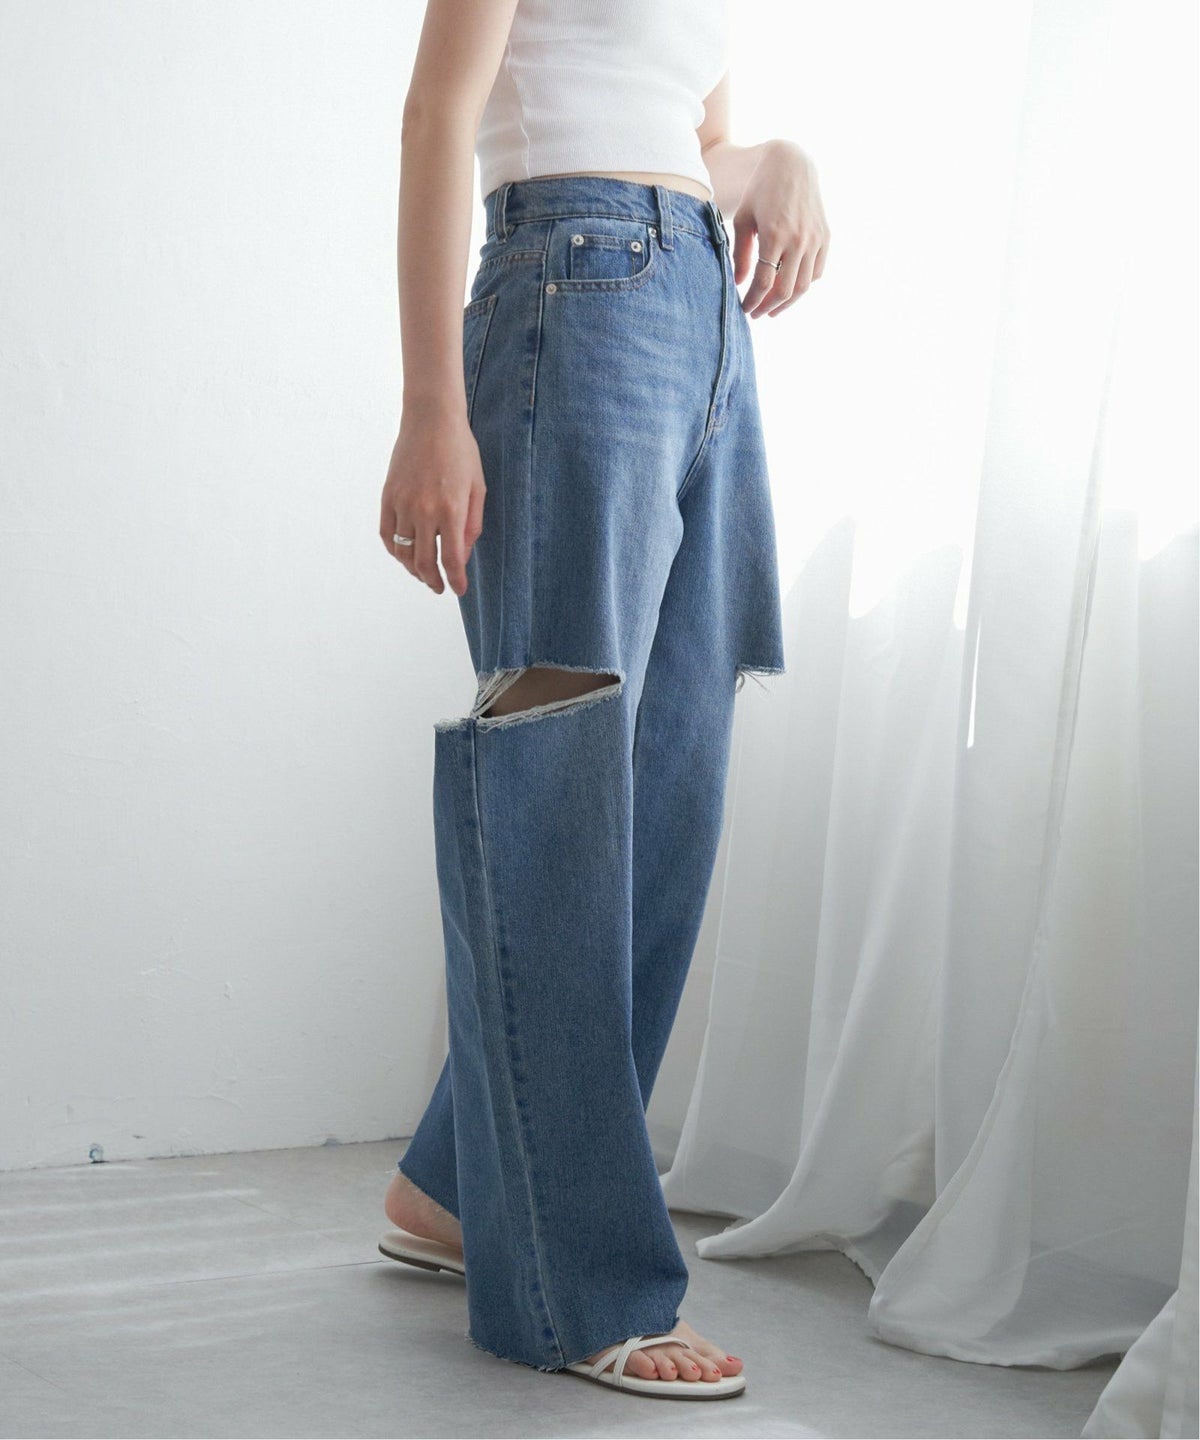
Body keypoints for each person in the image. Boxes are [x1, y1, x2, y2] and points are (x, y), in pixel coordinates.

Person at [376, 0, 829, 1401]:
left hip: (699, 319)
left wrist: (776, 161)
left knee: (672, 787)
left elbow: (694, 138)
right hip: (570, 290)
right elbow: (439, 113)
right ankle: (576, 1286)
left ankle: (457, 1187)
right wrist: (430, 404)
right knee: (559, 776)